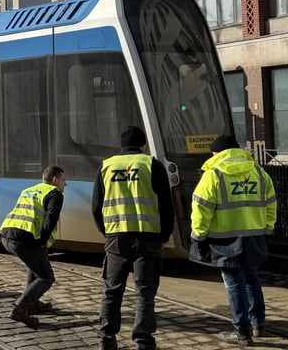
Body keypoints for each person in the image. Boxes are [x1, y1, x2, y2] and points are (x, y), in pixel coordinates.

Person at [92, 126, 174, 350]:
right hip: (148, 237)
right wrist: (164, 235)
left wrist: (106, 232)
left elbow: (96, 207)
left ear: (121, 144)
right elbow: (167, 206)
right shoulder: (151, 165)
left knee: (112, 290)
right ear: (143, 144)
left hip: (117, 238)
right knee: (145, 291)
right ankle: (144, 340)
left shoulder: (106, 166)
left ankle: (106, 338)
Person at [190, 134, 276, 346]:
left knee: (234, 284)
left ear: (217, 153)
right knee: (252, 279)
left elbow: (201, 209)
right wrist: (267, 228)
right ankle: (258, 325)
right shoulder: (259, 172)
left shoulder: (213, 175)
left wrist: (198, 236)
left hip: (225, 240)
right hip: (255, 236)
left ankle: (242, 332)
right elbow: (270, 203)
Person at [0, 165, 66, 327]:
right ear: (55, 180)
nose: (65, 184)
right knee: (46, 277)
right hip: (24, 238)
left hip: (8, 234)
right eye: (64, 180)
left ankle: (33, 303)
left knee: (35, 265)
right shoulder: (54, 194)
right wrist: (43, 241)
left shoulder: (30, 189)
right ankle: (20, 308)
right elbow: (50, 219)